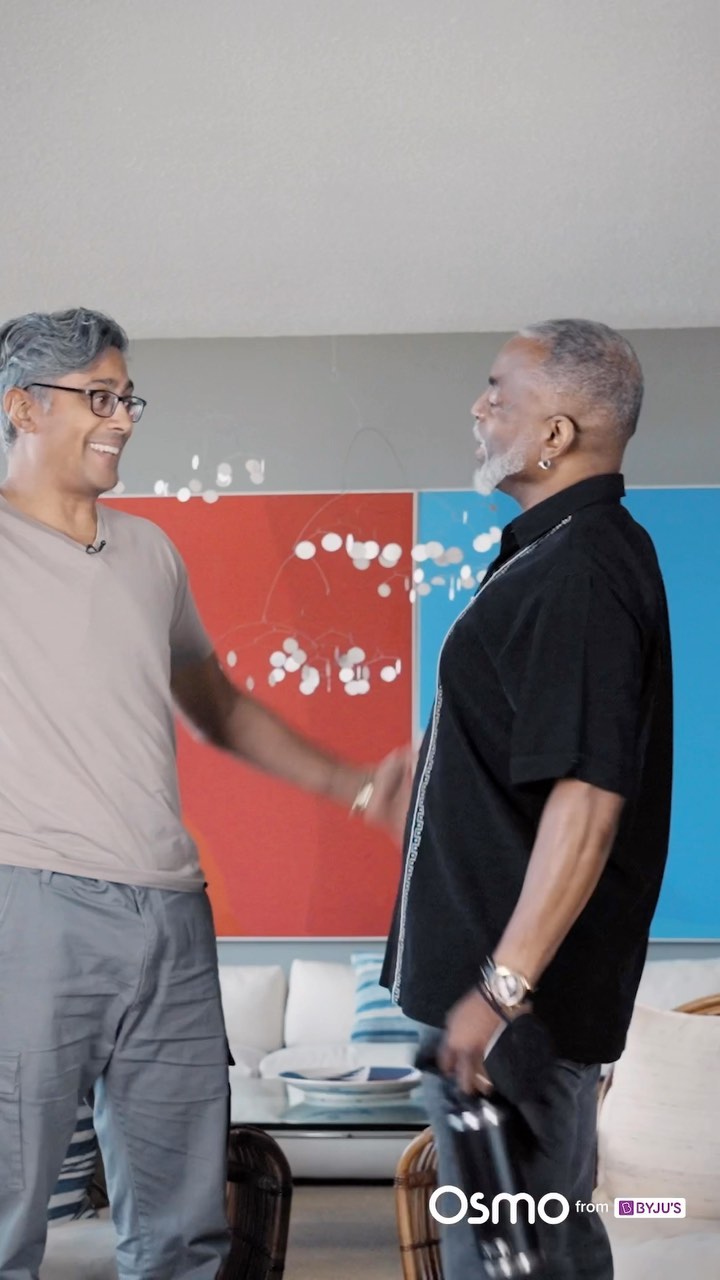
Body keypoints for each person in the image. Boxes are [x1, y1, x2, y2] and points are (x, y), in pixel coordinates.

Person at [0, 307, 411, 1280]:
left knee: (185, 1232)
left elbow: (217, 705)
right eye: (97, 397)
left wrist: (356, 786)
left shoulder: (150, 553)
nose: (122, 418)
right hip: (31, 903)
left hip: (173, 916)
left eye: (127, 398)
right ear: (23, 406)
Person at [381, 319, 673, 1279]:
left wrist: (498, 994)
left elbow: (588, 803)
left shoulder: (583, 569)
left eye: (498, 390)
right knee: (535, 1246)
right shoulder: (553, 556)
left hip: (519, 1016)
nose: (478, 406)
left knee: (522, 1257)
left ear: (557, 434)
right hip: (504, 1006)